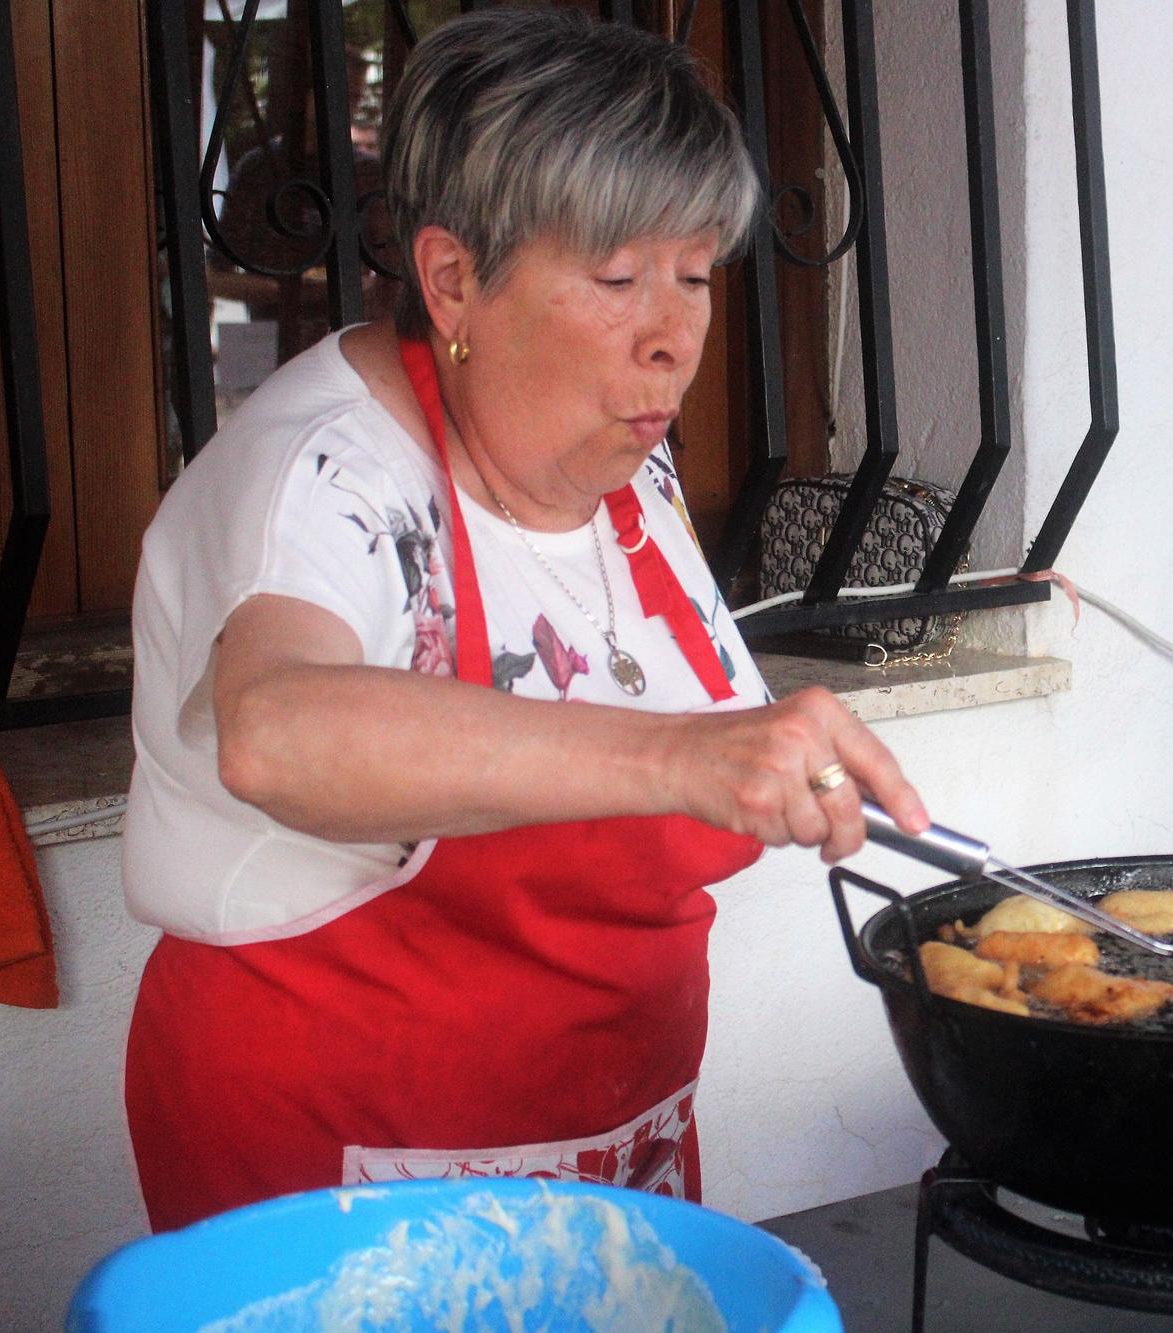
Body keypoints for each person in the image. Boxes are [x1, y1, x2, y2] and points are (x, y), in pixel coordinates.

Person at [121, 7, 928, 1232]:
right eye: (615, 280)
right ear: (453, 278)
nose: (673, 339)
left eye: (696, 276)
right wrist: (680, 757)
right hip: (347, 1169)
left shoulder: (618, 465)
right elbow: (275, 733)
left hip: (607, 1149)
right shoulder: (330, 474)